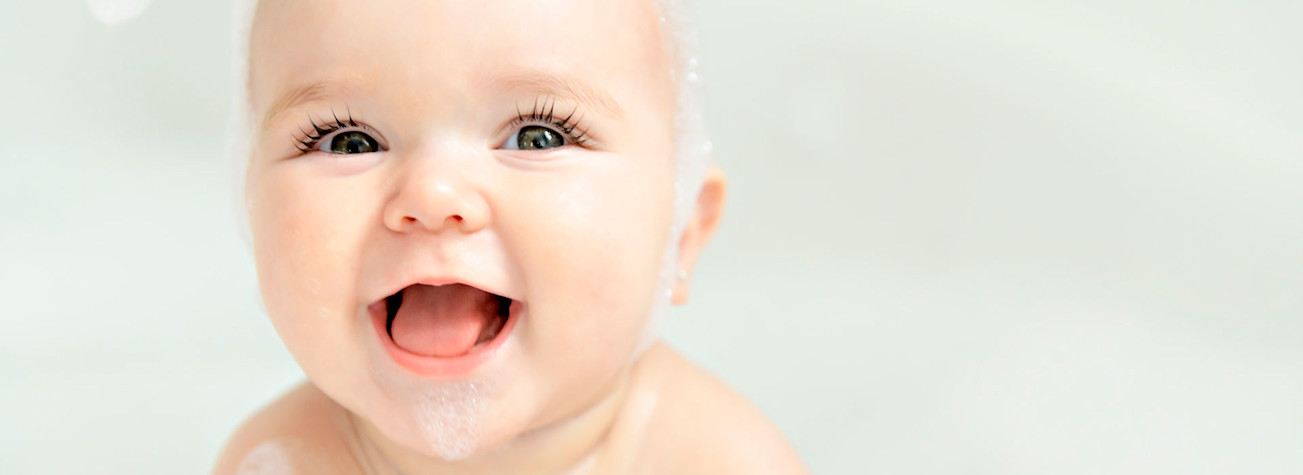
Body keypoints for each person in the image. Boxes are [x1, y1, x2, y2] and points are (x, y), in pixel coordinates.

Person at [214, 0, 807, 472]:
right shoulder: (280, 460)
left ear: (682, 231)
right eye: (349, 141)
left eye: (536, 136)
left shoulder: (719, 461)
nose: (432, 195)